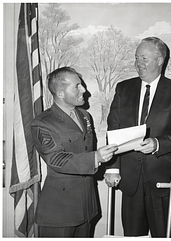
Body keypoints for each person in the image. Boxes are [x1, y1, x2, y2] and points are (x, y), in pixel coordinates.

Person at [104, 37, 171, 237]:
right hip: (130, 182)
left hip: (163, 181)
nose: (138, 63)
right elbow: (113, 128)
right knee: (132, 236)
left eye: (144, 58)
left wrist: (157, 143)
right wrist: (112, 167)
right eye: (136, 58)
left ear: (160, 60)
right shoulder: (123, 89)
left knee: (166, 236)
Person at [31, 67, 118, 237]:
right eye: (77, 86)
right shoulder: (43, 123)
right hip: (60, 211)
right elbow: (56, 159)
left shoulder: (85, 116)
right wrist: (96, 157)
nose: (84, 90)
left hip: (86, 207)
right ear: (61, 93)